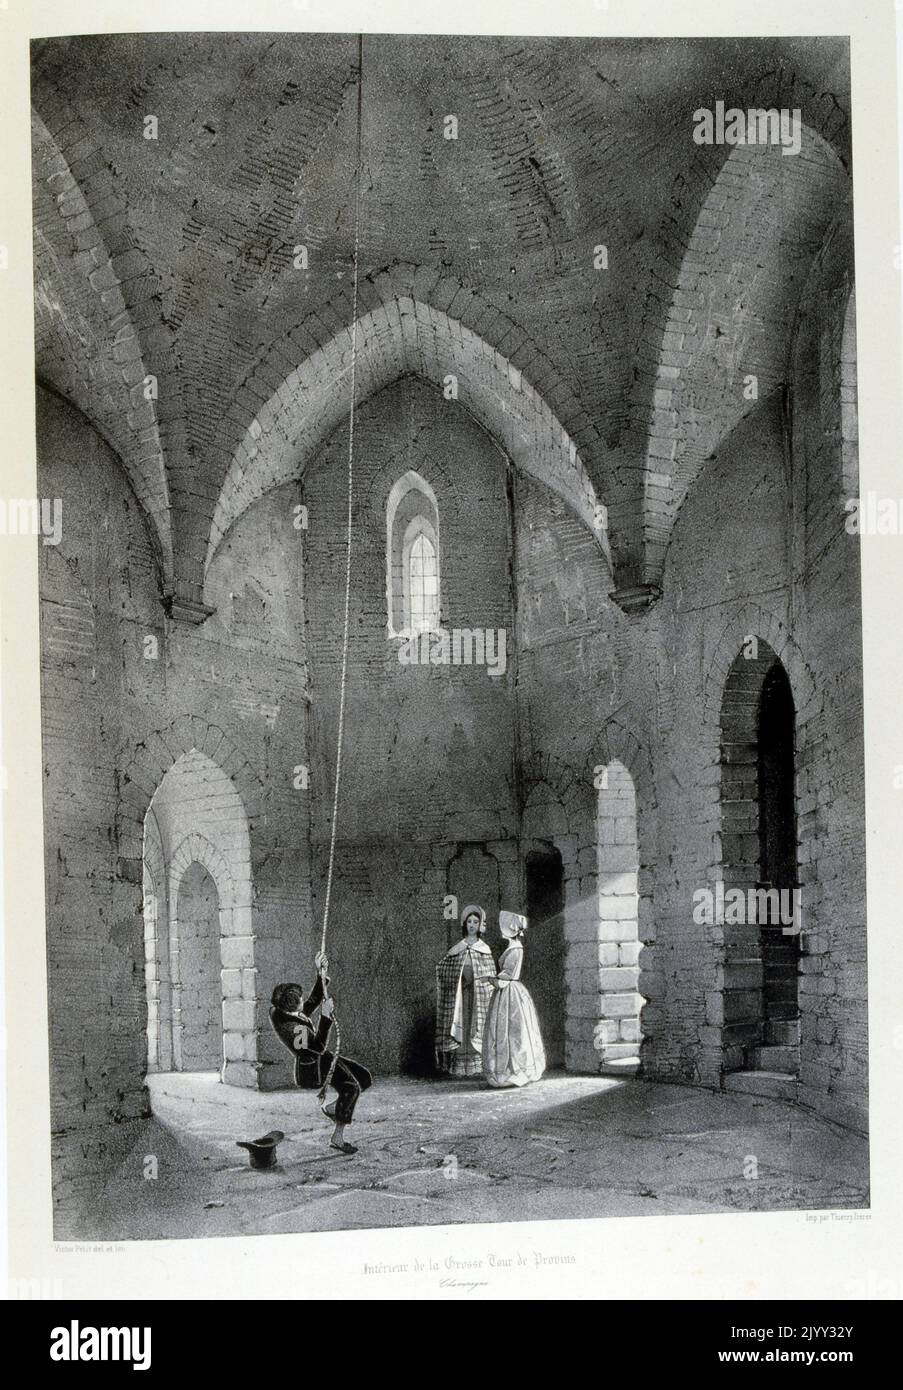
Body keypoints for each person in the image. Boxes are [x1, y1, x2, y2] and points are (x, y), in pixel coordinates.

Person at [269, 952, 372, 1155]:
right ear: (292, 1007)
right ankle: (337, 1138)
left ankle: (334, 1109)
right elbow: (317, 1047)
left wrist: (320, 973)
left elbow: (311, 1002)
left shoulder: (281, 1012)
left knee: (363, 1076)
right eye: (299, 999)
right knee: (351, 1088)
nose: (303, 1000)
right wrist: (325, 1017)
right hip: (313, 1066)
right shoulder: (293, 1029)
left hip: (320, 1058)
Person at [482, 910, 546, 1087]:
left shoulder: (515, 948)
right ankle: (509, 1068)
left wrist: (490, 980)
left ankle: (514, 1070)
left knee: (513, 1032)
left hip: (510, 992)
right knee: (508, 1032)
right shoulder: (513, 946)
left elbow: (508, 976)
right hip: (509, 991)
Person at [435, 904, 496, 1076]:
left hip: (477, 997)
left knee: (475, 1026)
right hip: (461, 997)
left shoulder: (484, 949)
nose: (472, 925)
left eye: (475, 922)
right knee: (461, 1026)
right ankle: (460, 1066)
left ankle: (476, 1066)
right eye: (469, 921)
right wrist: (457, 981)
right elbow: (443, 968)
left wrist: (479, 984)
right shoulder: (458, 947)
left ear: (480, 925)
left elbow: (489, 974)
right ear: (464, 924)